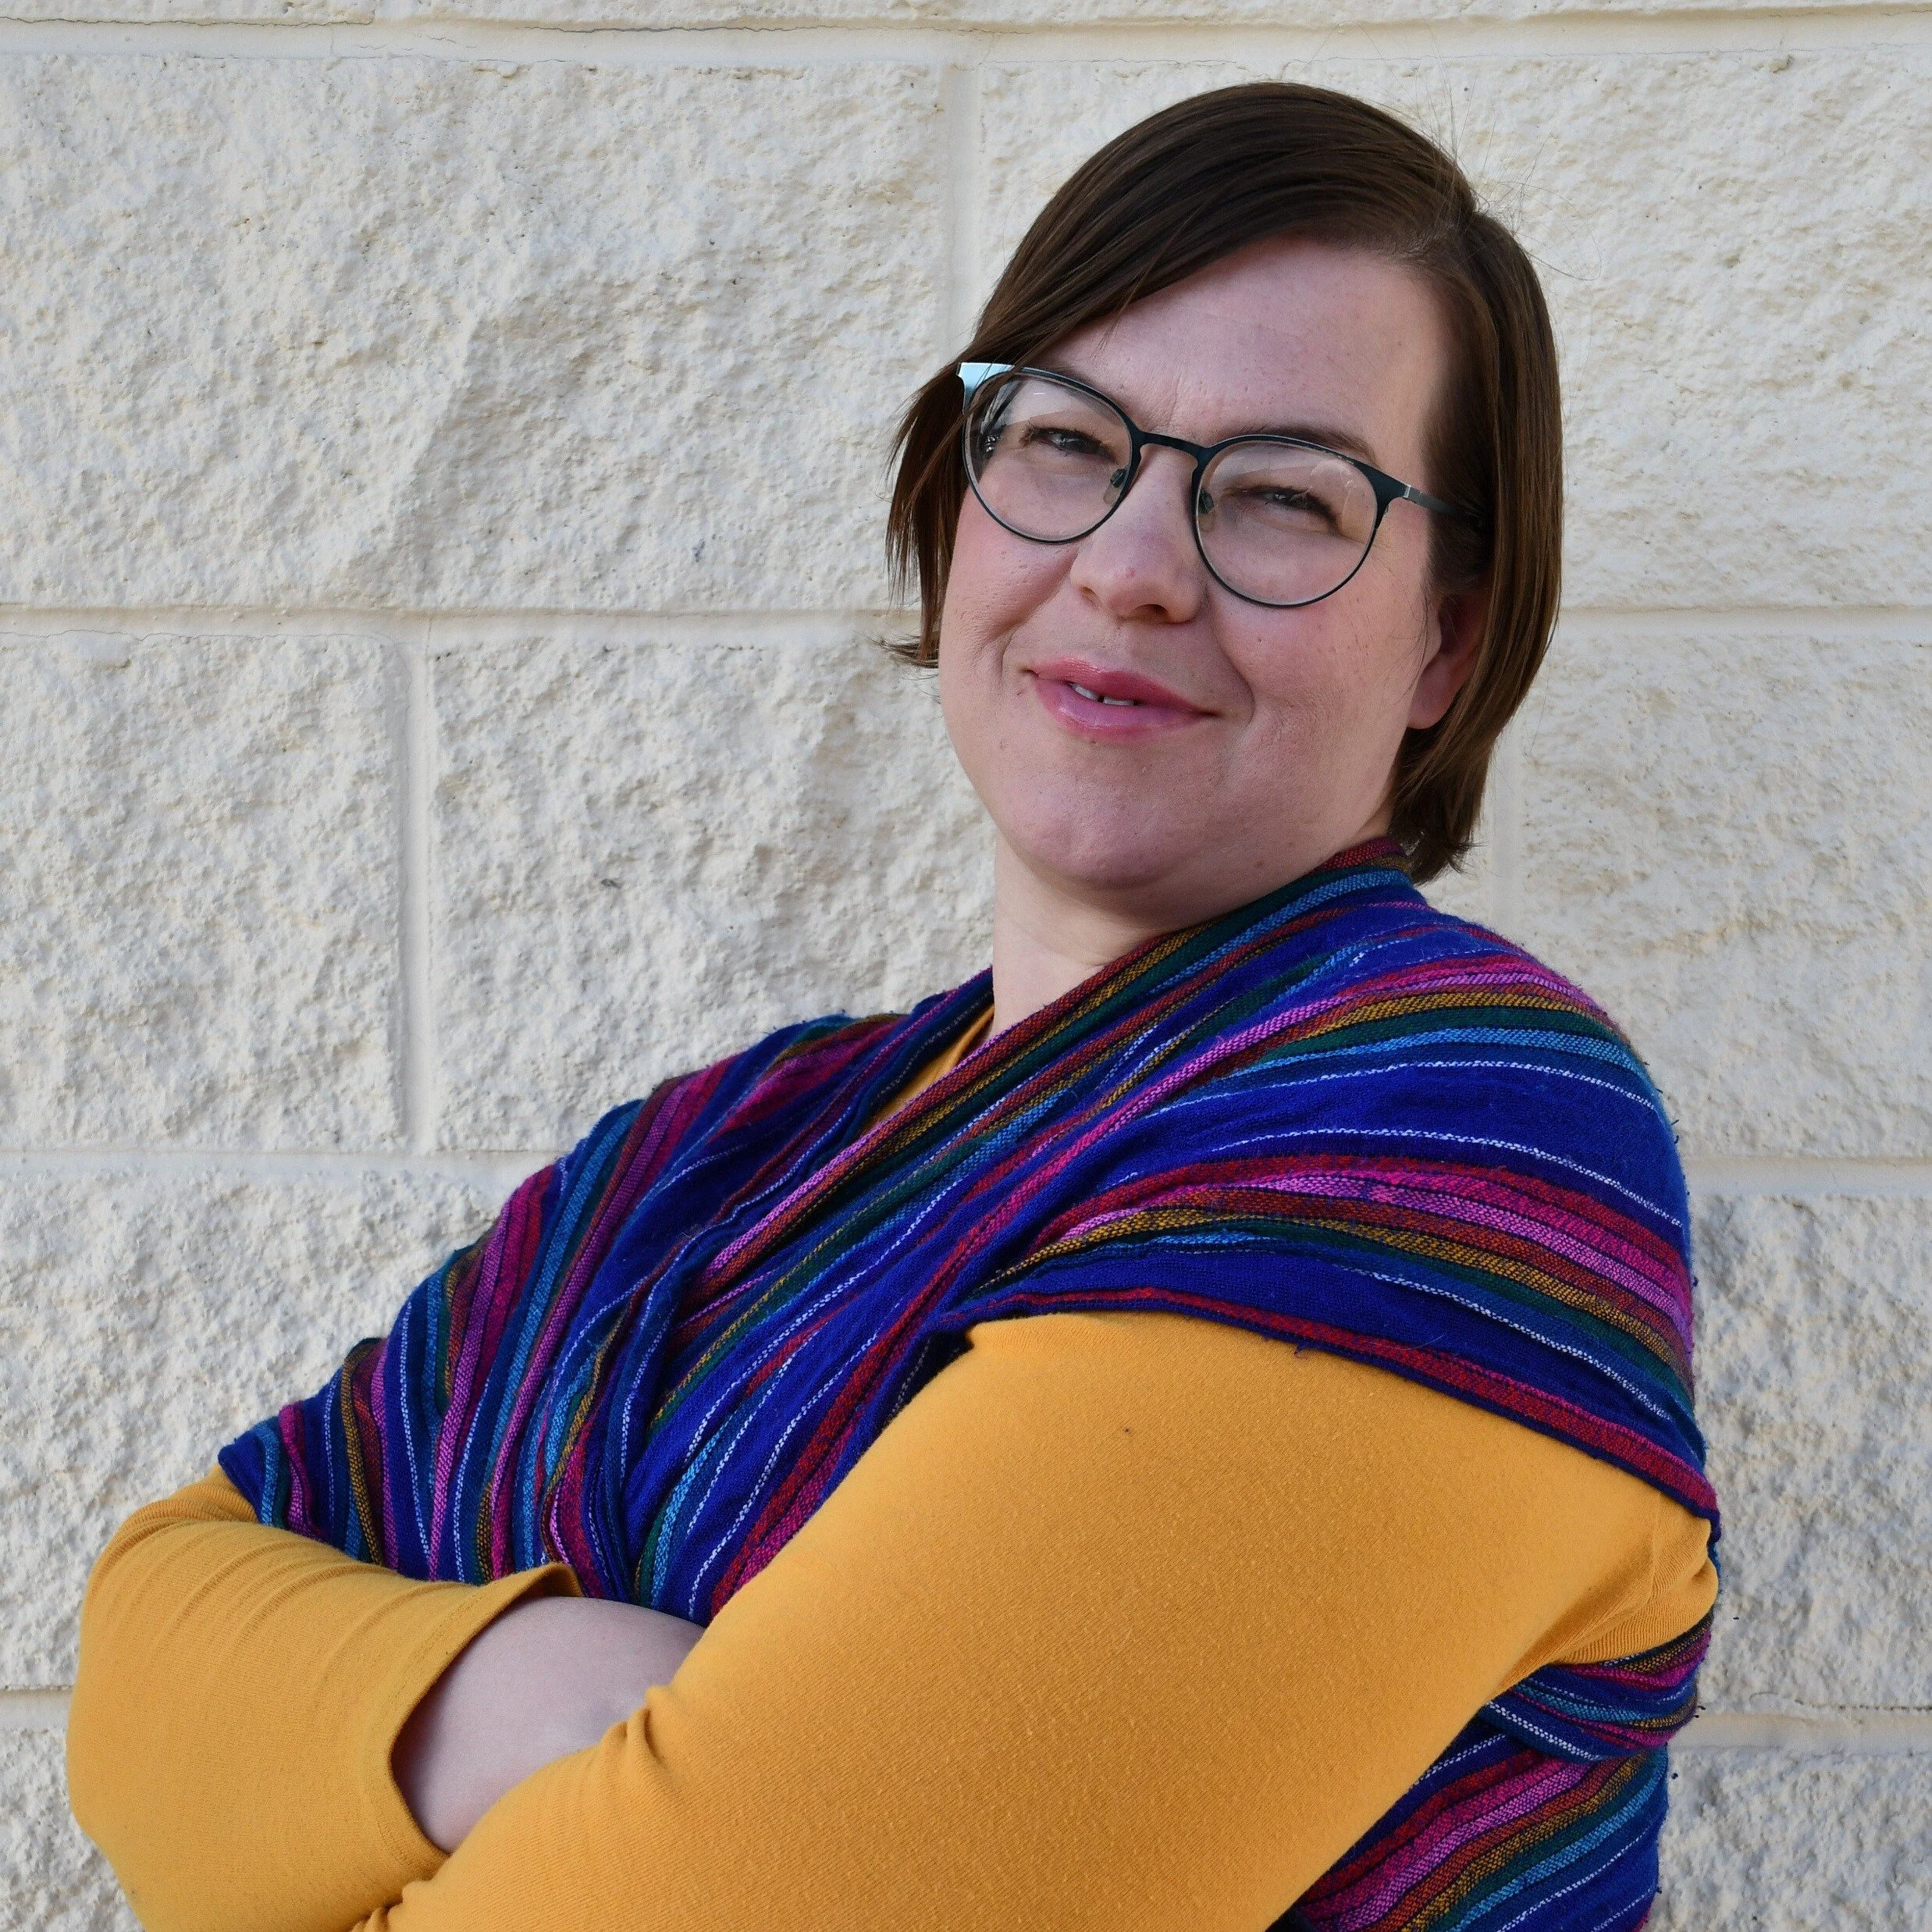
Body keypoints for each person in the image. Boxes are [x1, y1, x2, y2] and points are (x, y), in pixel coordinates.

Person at [67, 82, 1718, 1932]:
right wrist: (544, 1705)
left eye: (1279, 497)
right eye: (1067, 441)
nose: (1129, 568)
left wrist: (361, 1769)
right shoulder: (731, 1144)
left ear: (1445, 641)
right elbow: (141, 1663)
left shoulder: (1441, 1140)